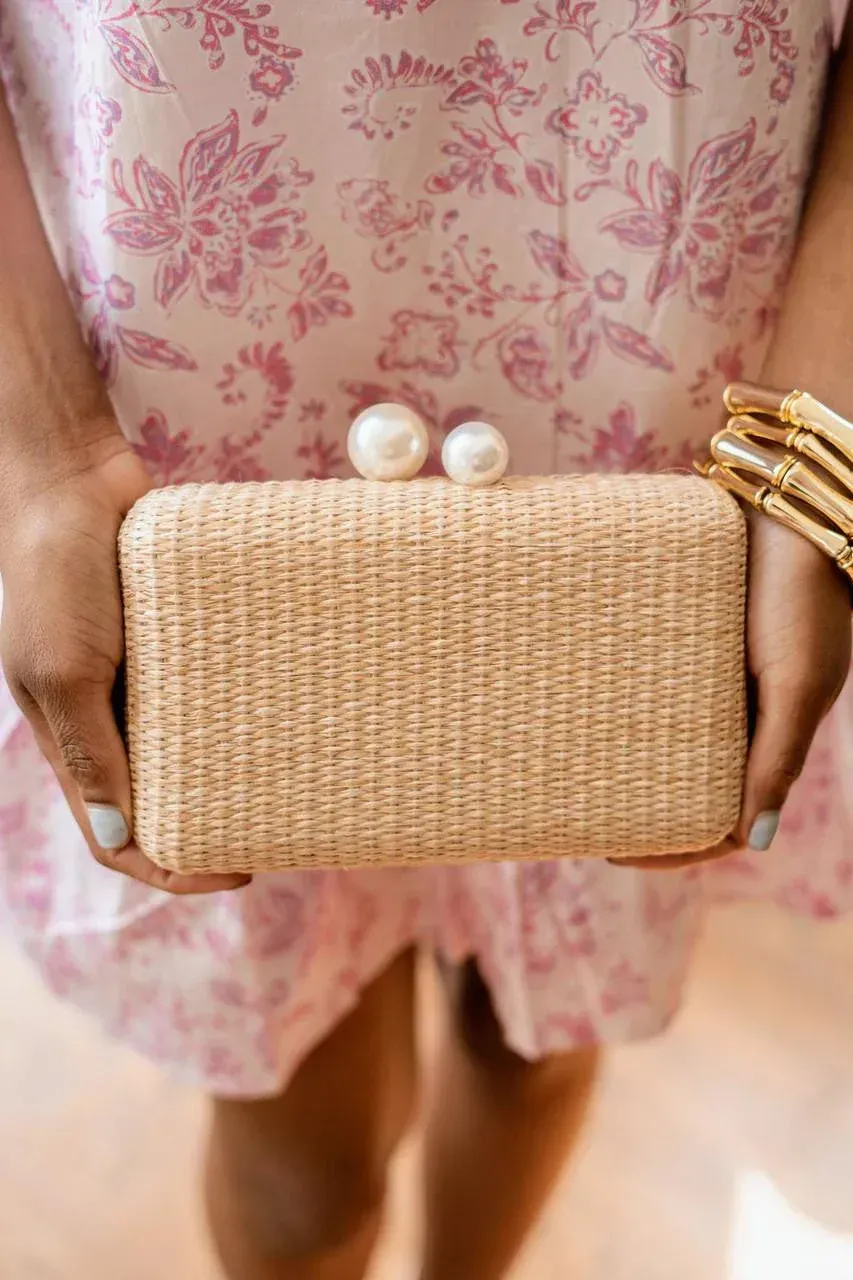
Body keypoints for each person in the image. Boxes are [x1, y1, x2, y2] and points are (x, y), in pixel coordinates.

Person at [1, 2, 852, 1277]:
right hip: (199, 351)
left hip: (663, 328)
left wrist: (816, 438)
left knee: (536, 1044)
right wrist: (40, 447)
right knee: (307, 1161)